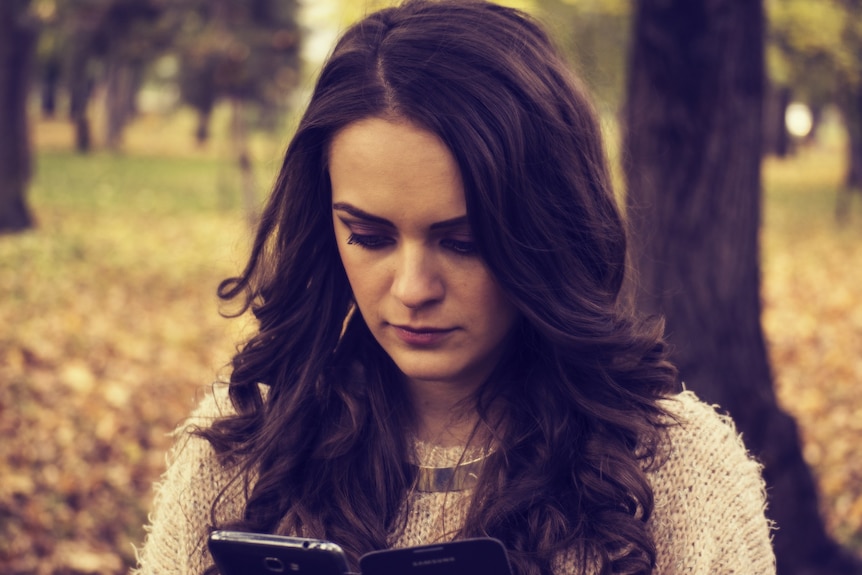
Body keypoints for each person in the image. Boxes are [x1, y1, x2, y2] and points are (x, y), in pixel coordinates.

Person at [133, 1, 775, 574]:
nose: (412, 289)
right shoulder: (239, 449)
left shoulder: (679, 473)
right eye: (369, 237)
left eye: (464, 242)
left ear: (547, 230)